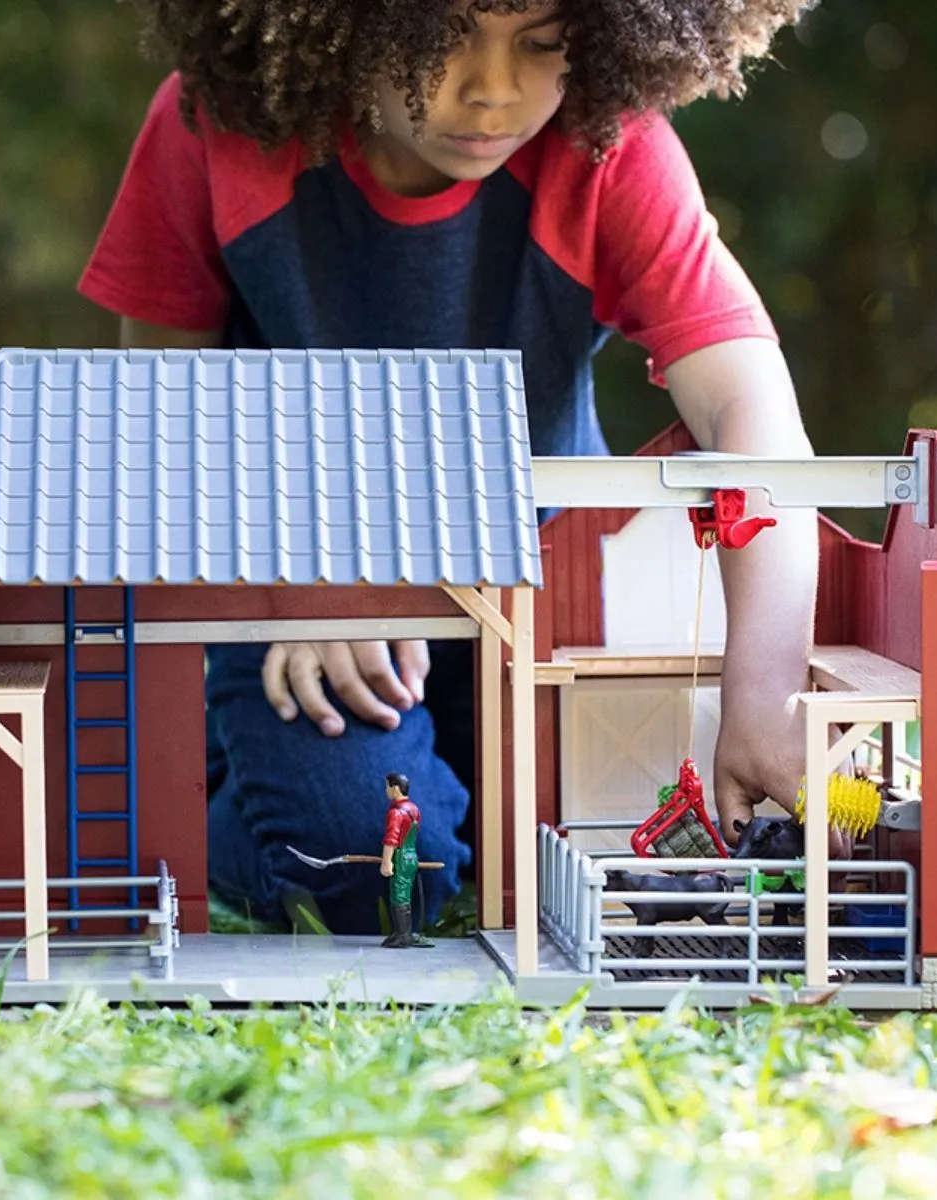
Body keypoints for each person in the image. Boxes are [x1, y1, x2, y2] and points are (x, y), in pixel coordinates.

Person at [78, 0, 821, 933]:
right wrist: (299, 585)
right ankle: (197, 798)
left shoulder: (610, 146)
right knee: (372, 867)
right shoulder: (218, 126)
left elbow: (750, 409)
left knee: (602, 839)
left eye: (543, 44)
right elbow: (154, 423)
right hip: (297, 616)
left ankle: (369, 776)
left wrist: (765, 688)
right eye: (442, 39)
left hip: (532, 613)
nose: (493, 90)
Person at [379, 773, 434, 948]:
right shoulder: (414, 808)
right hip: (412, 856)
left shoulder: (396, 812)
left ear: (395, 788)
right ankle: (401, 932)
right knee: (404, 894)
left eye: (387, 786)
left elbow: (392, 839)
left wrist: (387, 861)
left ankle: (403, 936)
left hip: (400, 856)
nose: (386, 790)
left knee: (398, 895)